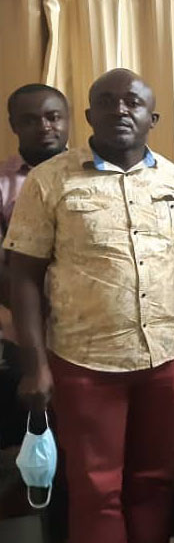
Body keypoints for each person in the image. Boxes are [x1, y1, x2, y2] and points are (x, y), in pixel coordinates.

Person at [4, 68, 174, 543]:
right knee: (95, 488)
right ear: (88, 115)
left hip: (167, 356)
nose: (119, 110)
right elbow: (22, 274)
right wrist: (35, 365)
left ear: (153, 118)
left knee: (154, 480)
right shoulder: (49, 181)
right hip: (83, 362)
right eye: (106, 101)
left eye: (132, 102)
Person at [1, 84, 70, 447]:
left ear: (69, 120)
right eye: (30, 120)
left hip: (88, 333)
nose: (44, 126)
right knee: (35, 435)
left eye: (53, 117)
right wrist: (34, 314)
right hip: (26, 334)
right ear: (13, 125)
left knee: (83, 433)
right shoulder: (3, 184)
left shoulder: (92, 174)